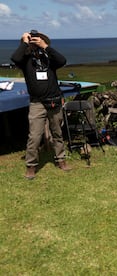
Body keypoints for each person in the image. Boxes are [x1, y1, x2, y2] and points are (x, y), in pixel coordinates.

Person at [11, 30, 71, 179]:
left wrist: (45, 47)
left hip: (54, 100)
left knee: (57, 132)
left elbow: (62, 60)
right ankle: (31, 166)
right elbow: (15, 58)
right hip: (37, 103)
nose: (35, 42)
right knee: (35, 136)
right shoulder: (25, 61)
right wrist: (24, 42)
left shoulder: (49, 58)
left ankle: (61, 159)